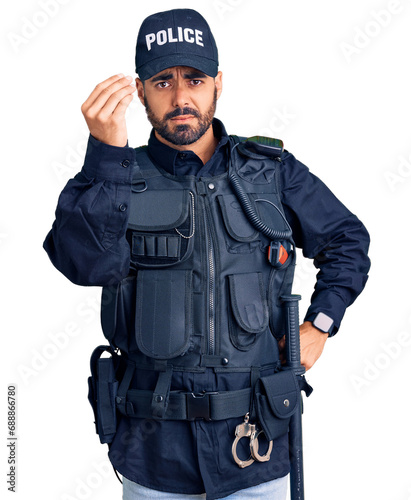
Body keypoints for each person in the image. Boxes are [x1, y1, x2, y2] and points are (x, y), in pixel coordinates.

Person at [43, 8, 370, 500]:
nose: (180, 98)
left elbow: (347, 240)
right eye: (162, 81)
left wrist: (319, 326)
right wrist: (105, 155)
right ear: (139, 90)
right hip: (155, 456)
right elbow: (81, 263)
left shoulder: (272, 172)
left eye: (194, 80)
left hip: (257, 448)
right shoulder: (113, 176)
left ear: (218, 83)